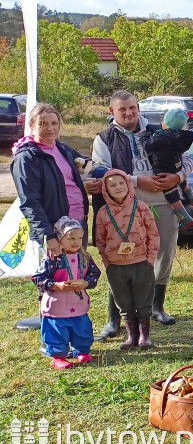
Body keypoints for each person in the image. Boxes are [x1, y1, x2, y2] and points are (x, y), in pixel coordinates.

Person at [90, 90, 191, 334]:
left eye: (132, 107)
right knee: (121, 258)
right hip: (126, 207)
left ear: (139, 108)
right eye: (122, 109)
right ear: (112, 111)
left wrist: (177, 176)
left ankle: (156, 307)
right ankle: (115, 319)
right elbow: (100, 171)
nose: (128, 112)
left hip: (163, 202)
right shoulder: (104, 138)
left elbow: (187, 161)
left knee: (165, 252)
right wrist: (137, 181)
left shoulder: (160, 130)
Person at [11, 103, 90, 332]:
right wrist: (48, 236)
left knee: (75, 276)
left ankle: (75, 327)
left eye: (54, 123)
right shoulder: (27, 158)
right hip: (55, 232)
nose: (49, 128)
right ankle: (53, 338)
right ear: (32, 125)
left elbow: (82, 168)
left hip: (77, 226)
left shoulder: (63, 149)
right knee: (54, 284)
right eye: (43, 123)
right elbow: (30, 202)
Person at [94, 170, 160, 350]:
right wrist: (107, 263)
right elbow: (100, 240)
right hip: (116, 266)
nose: (118, 187)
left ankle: (144, 336)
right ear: (105, 190)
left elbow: (153, 234)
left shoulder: (141, 207)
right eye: (113, 185)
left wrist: (150, 259)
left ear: (128, 184)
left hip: (141, 263)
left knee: (143, 302)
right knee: (124, 303)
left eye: (121, 183)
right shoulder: (103, 212)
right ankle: (132, 336)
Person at [32, 217, 100, 370]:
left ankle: (82, 350)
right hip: (57, 306)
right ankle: (58, 356)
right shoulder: (52, 259)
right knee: (57, 331)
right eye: (71, 238)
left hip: (78, 304)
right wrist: (56, 285)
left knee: (82, 329)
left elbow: (95, 273)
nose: (76, 242)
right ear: (59, 239)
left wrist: (86, 283)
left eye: (80, 238)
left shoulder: (85, 257)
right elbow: (38, 278)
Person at [136, 108, 193, 230]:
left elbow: (148, 146)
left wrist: (143, 136)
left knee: (169, 191)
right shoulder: (181, 136)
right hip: (177, 164)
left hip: (164, 168)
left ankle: (184, 216)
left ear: (166, 123)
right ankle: (191, 197)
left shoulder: (162, 137)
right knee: (181, 180)